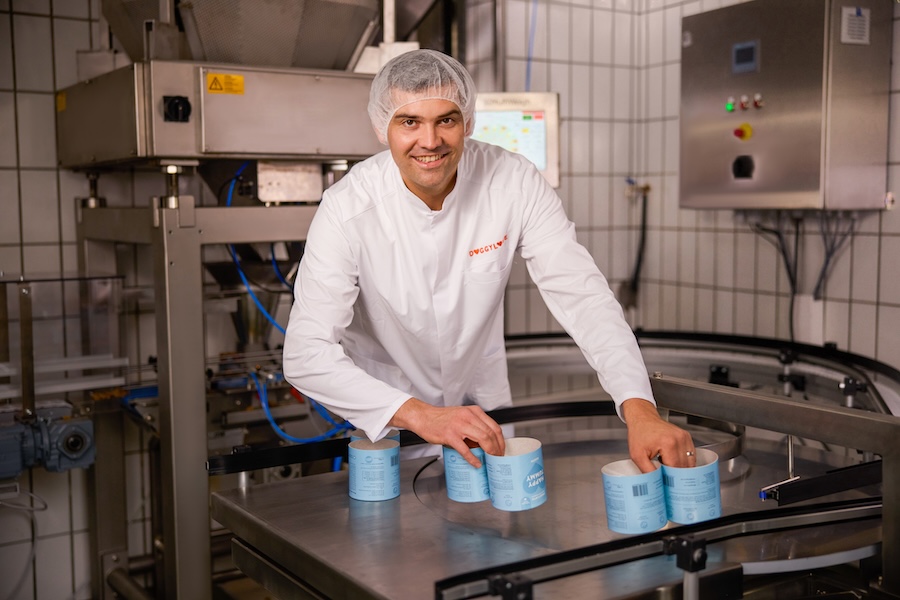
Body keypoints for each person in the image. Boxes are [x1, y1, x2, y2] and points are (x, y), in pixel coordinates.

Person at [282, 49, 694, 473]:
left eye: (446, 119)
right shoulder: (347, 208)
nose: (430, 141)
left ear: (468, 122)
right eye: (410, 122)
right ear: (381, 127)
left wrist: (639, 407)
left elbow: (583, 296)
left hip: (484, 405)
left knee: (490, 529)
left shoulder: (513, 181)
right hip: (388, 416)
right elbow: (305, 354)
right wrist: (421, 415)